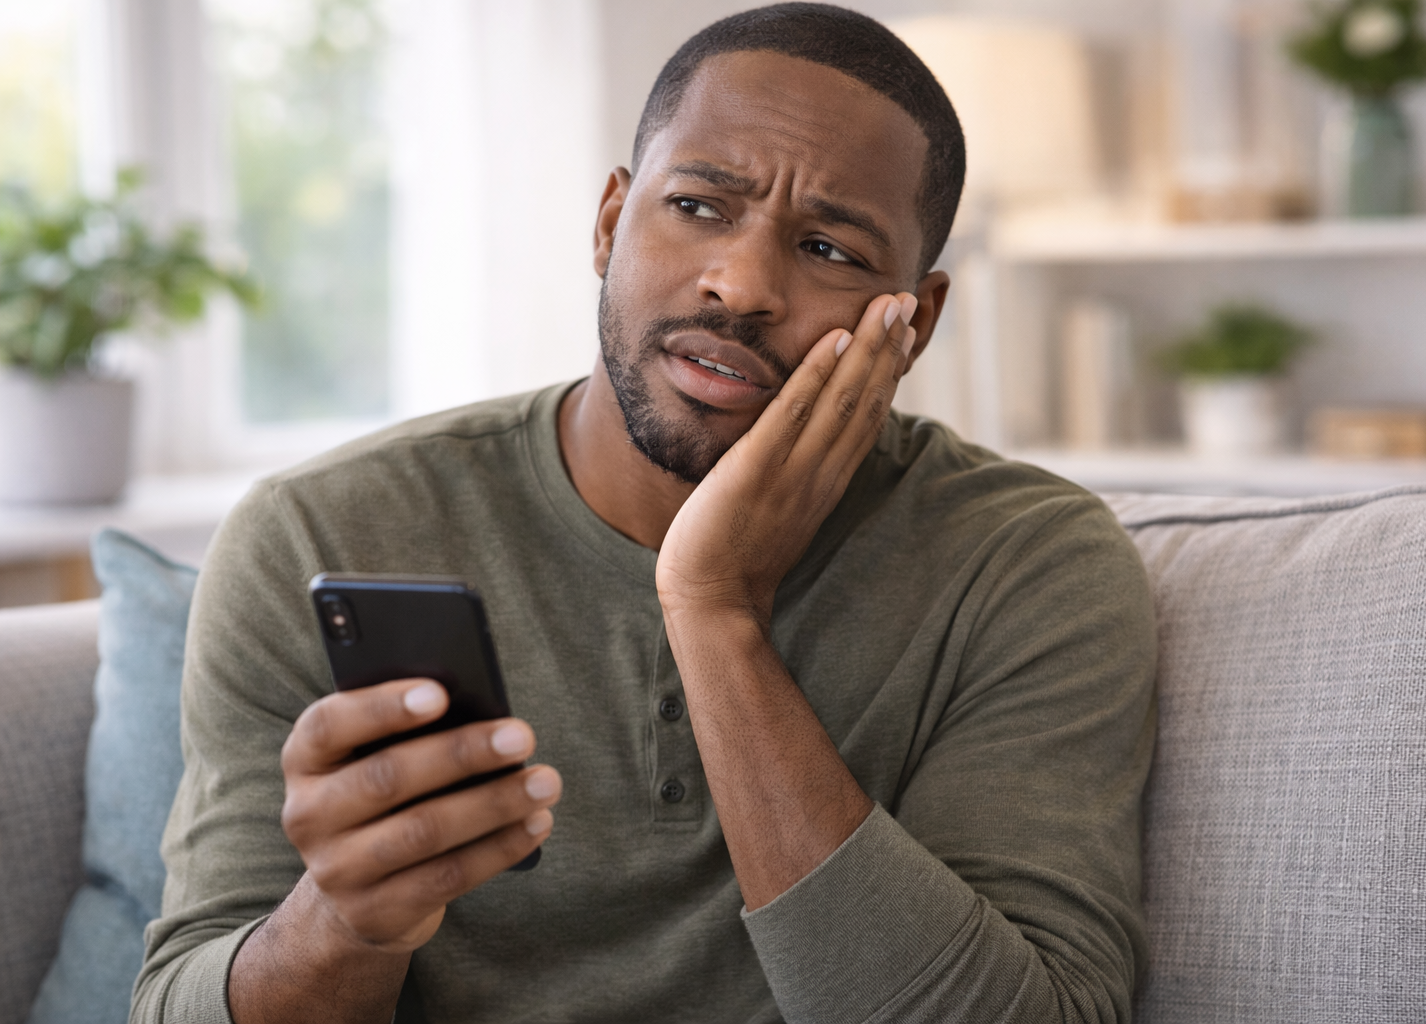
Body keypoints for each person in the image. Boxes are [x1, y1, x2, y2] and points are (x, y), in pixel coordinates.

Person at [131, 5, 1157, 1023]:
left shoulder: (1027, 562)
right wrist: (346, 920)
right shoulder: (315, 530)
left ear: (916, 319)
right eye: (702, 207)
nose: (742, 284)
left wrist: (714, 609)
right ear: (611, 222)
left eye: (829, 249)